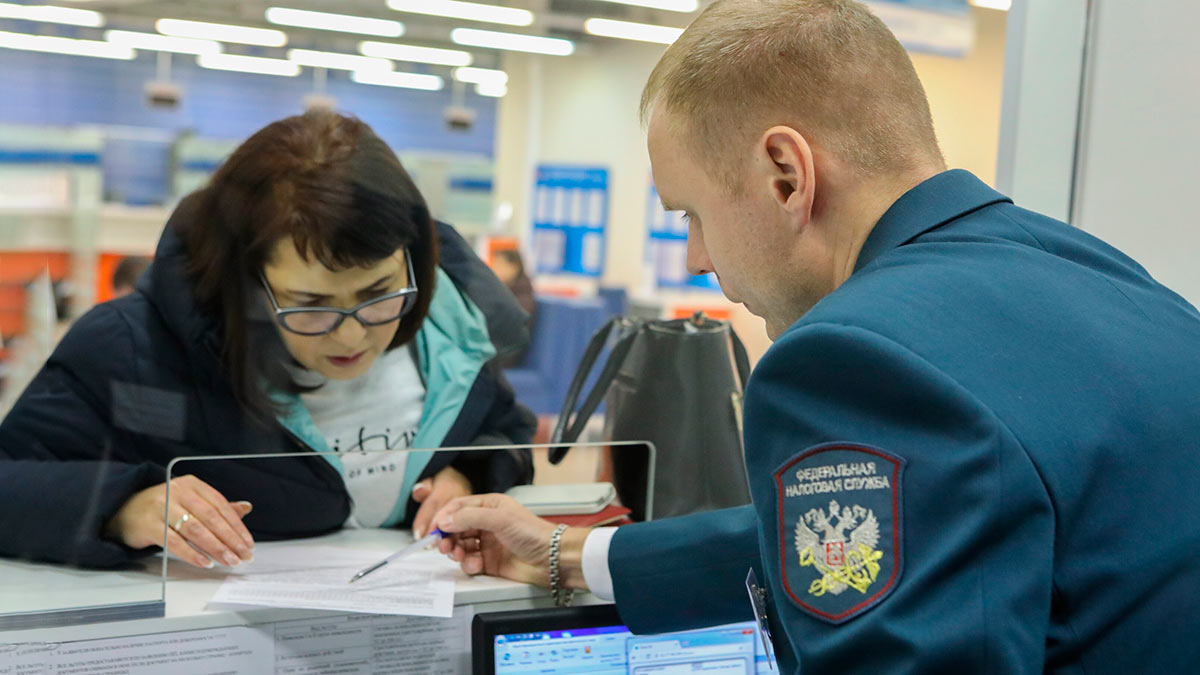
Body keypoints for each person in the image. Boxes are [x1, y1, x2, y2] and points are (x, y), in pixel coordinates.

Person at [429, 0, 1200, 671]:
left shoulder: (851, 357)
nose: (695, 257)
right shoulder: (1109, 279)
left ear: (786, 175)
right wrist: (568, 553)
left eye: (691, 213)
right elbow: (869, 545)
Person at [0, 111, 535, 570]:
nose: (352, 333)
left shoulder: (453, 330)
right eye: (311, 305)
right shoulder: (131, 349)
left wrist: (467, 475)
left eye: (378, 294)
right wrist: (123, 507)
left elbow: (505, 433)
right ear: (246, 284)